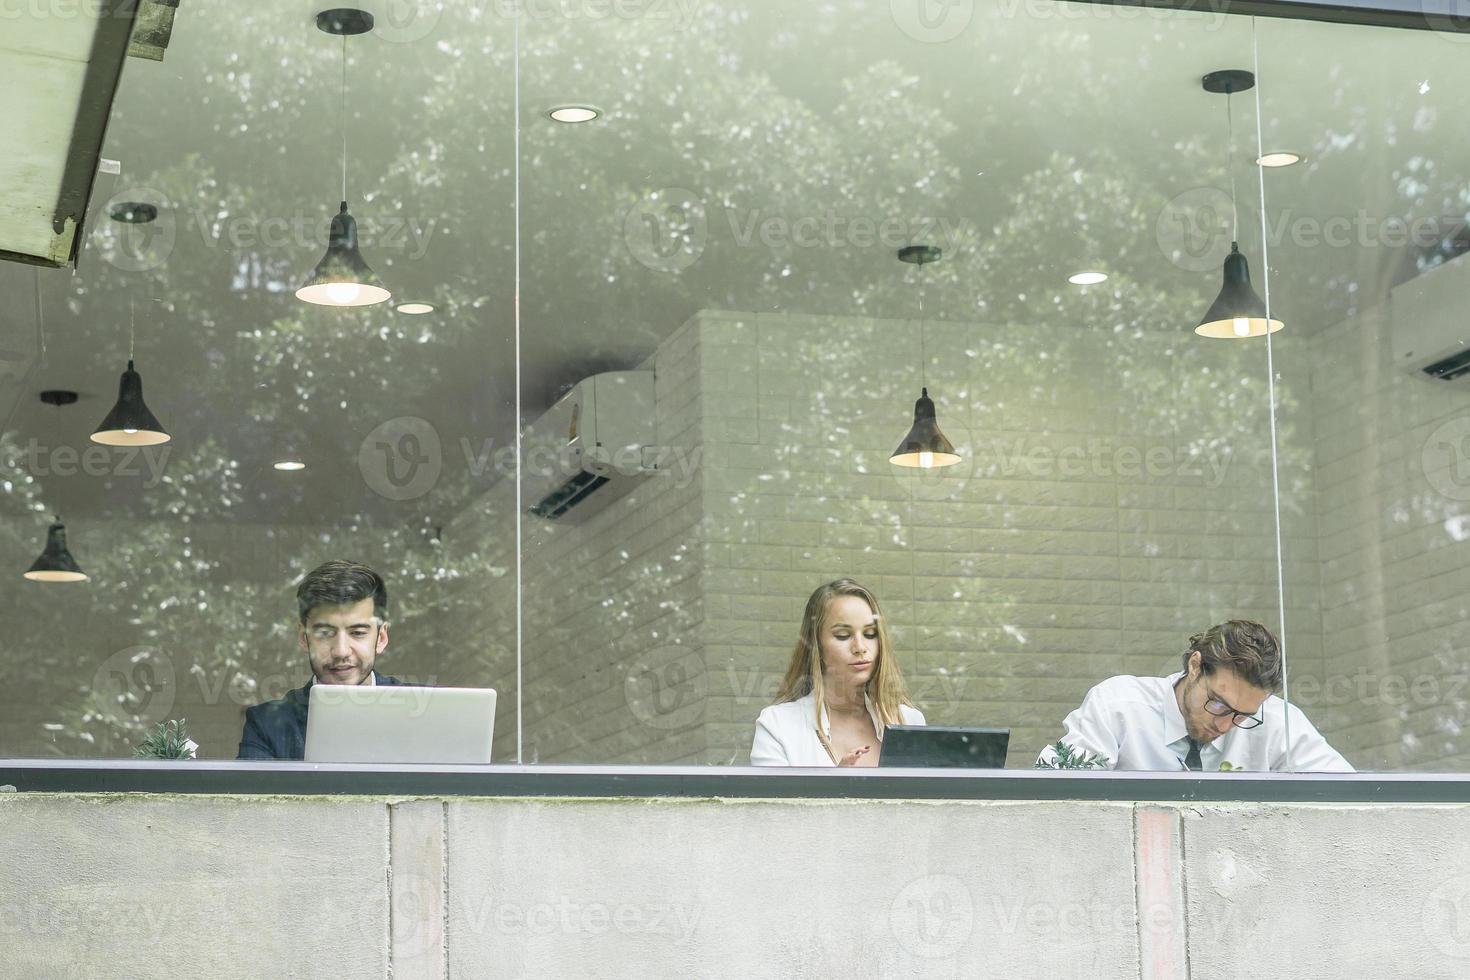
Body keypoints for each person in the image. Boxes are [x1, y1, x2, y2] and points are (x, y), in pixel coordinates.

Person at [1037, 620, 1352, 772]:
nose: (1226, 726)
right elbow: (1058, 790)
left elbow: (1346, 798)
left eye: (1242, 715)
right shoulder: (1118, 706)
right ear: (1195, 665)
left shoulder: (1277, 722)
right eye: (1217, 703)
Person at [237, 560, 407, 760]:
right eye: (325, 633)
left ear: (381, 638)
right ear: (304, 637)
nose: (341, 651)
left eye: (358, 632)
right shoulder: (266, 726)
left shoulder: (423, 714)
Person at [751, 578, 924, 766]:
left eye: (870, 634)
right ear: (816, 645)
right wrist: (837, 786)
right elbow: (771, 796)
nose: (860, 647)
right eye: (843, 635)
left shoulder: (909, 721)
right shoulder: (777, 725)